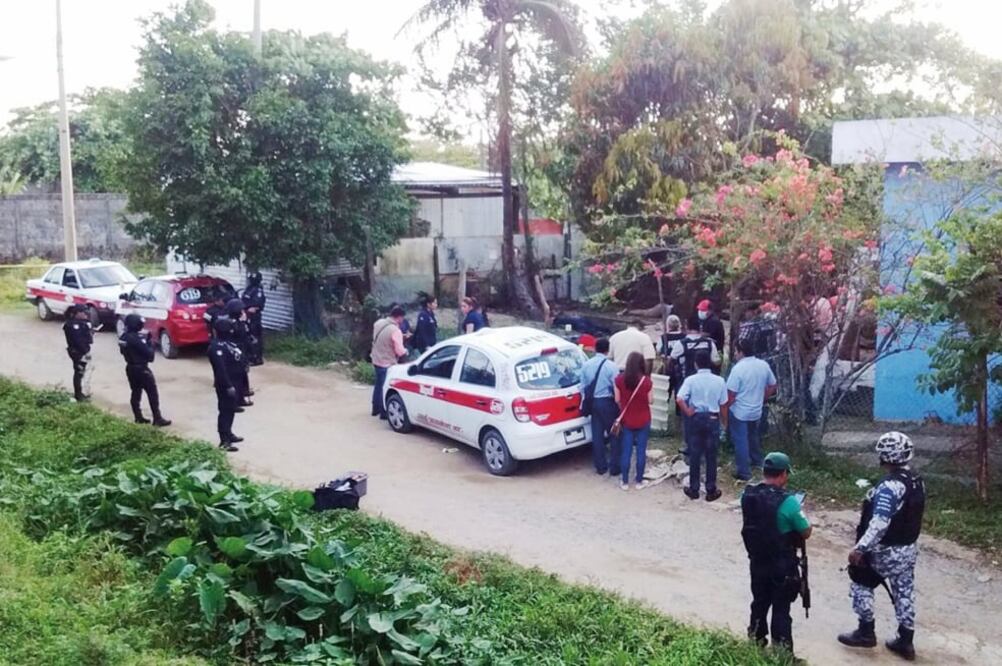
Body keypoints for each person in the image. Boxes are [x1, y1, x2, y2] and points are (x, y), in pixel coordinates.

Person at [838, 432, 925, 661]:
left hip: (885, 551)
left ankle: (865, 631)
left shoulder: (890, 486)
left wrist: (860, 548)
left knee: (860, 581)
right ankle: (906, 640)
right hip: (908, 549)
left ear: (885, 456)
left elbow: (879, 523)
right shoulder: (916, 481)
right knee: (904, 591)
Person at [741, 452, 812, 654]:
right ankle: (782, 654)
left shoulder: (747, 495)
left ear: (764, 472)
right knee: (781, 609)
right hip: (782, 565)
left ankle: (755, 645)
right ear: (783, 474)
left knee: (759, 602)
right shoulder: (789, 502)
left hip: (757, 561)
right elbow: (806, 532)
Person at [676, 350, 729, 502]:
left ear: (696, 364)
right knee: (711, 455)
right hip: (712, 418)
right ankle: (711, 489)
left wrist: (687, 411)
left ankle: (694, 489)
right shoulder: (719, 381)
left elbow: (679, 398)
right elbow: (723, 404)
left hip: (696, 418)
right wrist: (725, 423)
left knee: (695, 454)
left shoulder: (691, 380)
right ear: (710, 363)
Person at [727, 338, 778, 481]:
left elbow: (731, 393)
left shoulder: (738, 369)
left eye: (736, 351)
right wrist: (763, 397)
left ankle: (743, 471)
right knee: (753, 435)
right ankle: (757, 460)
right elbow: (773, 385)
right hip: (756, 409)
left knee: (740, 440)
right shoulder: (763, 365)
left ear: (741, 352)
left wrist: (725, 408)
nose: (735, 354)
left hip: (740, 411)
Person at [118, 313, 171, 426]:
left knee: (136, 392)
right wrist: (149, 342)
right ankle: (157, 418)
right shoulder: (136, 339)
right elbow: (150, 356)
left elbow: (123, 351)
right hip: (141, 369)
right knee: (152, 393)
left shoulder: (123, 337)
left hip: (130, 367)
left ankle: (138, 416)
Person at [580, 337, 621, 477]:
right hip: (607, 402)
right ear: (608, 350)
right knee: (614, 433)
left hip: (592, 402)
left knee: (597, 435)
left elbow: (582, 386)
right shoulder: (612, 366)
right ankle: (615, 467)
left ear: (595, 349)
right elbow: (616, 386)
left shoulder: (586, 365)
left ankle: (600, 466)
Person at [614, 351, 654, 491]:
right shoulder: (646, 381)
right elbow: (651, 401)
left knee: (626, 450)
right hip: (643, 419)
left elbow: (617, 399)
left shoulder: (619, 380)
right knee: (641, 451)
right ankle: (639, 481)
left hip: (627, 420)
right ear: (642, 364)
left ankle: (625, 481)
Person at [208, 318, 244, 452]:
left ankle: (229, 433)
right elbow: (220, 369)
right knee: (225, 411)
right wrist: (228, 385)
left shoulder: (229, 343)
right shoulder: (215, 347)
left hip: (235, 381)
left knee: (231, 410)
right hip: (225, 384)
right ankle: (224, 441)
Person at [371, 305, 408, 419]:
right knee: (385, 388)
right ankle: (384, 413)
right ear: (400, 317)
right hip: (387, 362)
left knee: (378, 385)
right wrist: (406, 351)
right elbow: (399, 351)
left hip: (376, 359)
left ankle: (375, 408)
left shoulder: (378, 323)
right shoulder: (395, 330)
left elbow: (381, 338)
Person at [63, 305, 94, 402]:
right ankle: (78, 394)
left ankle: (82, 392)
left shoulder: (83, 323)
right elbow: (78, 341)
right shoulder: (72, 325)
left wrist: (90, 330)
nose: (85, 314)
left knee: (83, 372)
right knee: (79, 372)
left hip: (83, 351)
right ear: (77, 313)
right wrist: (86, 353)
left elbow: (89, 340)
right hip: (77, 352)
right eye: (83, 313)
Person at [226, 298, 253, 407]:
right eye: (241, 310)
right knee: (236, 378)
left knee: (243, 375)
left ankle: (241, 398)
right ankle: (236, 402)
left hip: (242, 351)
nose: (243, 312)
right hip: (235, 353)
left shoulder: (240, 322)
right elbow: (241, 336)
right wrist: (242, 323)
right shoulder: (232, 324)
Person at [241, 271, 266, 365]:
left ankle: (256, 358)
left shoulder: (258, 291)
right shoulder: (249, 289)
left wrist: (249, 309)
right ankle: (249, 357)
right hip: (246, 316)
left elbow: (255, 307)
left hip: (254, 318)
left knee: (254, 337)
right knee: (247, 336)